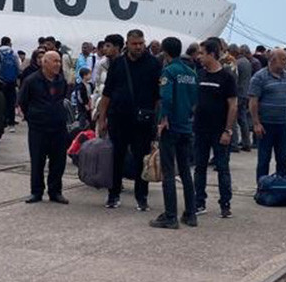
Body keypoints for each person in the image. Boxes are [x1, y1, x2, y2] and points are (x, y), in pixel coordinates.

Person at [96, 29, 163, 211]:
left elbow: (159, 97)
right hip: (118, 118)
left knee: (142, 159)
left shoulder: (153, 64)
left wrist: (158, 119)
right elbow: (107, 94)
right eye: (135, 44)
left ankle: (141, 198)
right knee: (116, 157)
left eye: (141, 43)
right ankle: (113, 194)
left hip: (142, 121)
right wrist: (102, 119)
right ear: (128, 43)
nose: (139, 47)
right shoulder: (118, 64)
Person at [150, 37, 200, 229]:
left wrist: (163, 120)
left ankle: (170, 215)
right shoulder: (191, 72)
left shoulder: (169, 71)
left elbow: (166, 98)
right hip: (186, 125)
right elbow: (195, 99)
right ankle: (191, 213)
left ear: (165, 51)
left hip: (171, 127)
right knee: (186, 171)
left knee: (169, 171)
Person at [194, 38, 237, 219]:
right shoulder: (200, 74)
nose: (199, 57)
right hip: (200, 129)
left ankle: (225, 204)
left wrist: (228, 130)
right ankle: (199, 202)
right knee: (199, 168)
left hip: (219, 131)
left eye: (202, 53)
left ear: (211, 54)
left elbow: (233, 105)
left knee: (222, 168)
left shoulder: (227, 77)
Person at [19, 50, 71, 204]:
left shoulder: (60, 80)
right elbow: (23, 101)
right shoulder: (31, 80)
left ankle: (55, 191)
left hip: (58, 127)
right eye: (54, 61)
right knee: (37, 161)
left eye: (59, 61)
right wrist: (33, 117)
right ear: (45, 63)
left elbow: (62, 98)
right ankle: (36, 192)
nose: (58, 64)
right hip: (38, 127)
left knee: (58, 161)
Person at [249, 47, 286, 183]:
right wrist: (256, 123)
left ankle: (281, 185)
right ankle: (262, 187)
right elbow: (253, 102)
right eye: (283, 59)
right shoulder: (259, 77)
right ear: (273, 60)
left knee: (283, 158)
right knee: (264, 158)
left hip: (283, 124)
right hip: (266, 125)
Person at [233, 44, 255, 152]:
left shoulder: (238, 63)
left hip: (239, 93)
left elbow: (236, 80)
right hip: (246, 93)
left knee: (234, 119)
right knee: (243, 119)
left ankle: (234, 143)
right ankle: (246, 142)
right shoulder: (247, 62)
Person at [0, 37, 20, 131]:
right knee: (11, 102)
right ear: (9, 43)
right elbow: (17, 66)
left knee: (1, 102)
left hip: (0, 81)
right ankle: (11, 123)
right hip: (11, 81)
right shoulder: (13, 53)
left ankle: (2, 121)